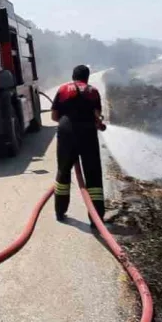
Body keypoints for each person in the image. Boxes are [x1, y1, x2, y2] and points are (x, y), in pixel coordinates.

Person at [51, 64, 108, 224]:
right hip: (87, 132)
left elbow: (54, 116)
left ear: (73, 76)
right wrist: (98, 124)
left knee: (63, 171)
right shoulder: (93, 91)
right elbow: (98, 117)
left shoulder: (62, 90)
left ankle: (60, 212)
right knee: (93, 174)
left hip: (66, 132)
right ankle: (97, 218)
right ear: (87, 77)